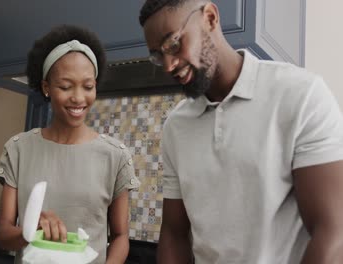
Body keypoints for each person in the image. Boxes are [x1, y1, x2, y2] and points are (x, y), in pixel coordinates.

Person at [139, 0, 343, 263]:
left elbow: (333, 231)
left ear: (210, 18)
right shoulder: (176, 126)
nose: (168, 65)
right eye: (158, 55)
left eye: (174, 44)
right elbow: (174, 233)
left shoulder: (301, 95)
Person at [0, 25, 140, 264]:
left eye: (88, 86)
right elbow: (3, 235)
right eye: (65, 86)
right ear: (46, 88)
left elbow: (121, 236)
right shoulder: (18, 149)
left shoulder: (115, 156)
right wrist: (29, 231)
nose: (79, 98)